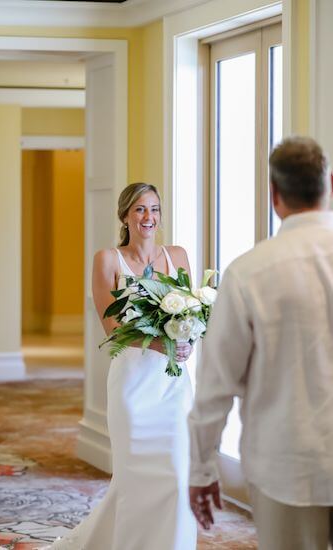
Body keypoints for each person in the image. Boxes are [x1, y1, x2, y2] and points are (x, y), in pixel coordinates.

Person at [188, 136, 333, 550]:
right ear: (332, 185)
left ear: (274, 195)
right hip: (287, 462)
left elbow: (216, 384)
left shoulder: (250, 273)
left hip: (287, 463)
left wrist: (201, 469)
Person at [50, 182, 197, 550]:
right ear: (125, 216)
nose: (149, 217)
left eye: (154, 210)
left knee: (178, 477)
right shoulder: (107, 260)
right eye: (140, 210)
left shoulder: (177, 256)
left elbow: (190, 314)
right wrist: (162, 342)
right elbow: (112, 330)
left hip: (171, 385)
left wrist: (187, 340)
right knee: (133, 481)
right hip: (132, 385)